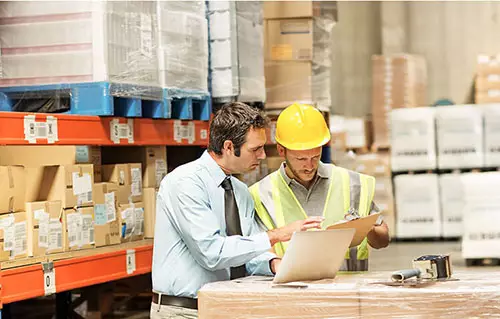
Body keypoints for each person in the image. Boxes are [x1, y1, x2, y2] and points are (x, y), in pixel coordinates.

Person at [151, 102, 323, 318]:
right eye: (255, 149)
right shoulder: (185, 183)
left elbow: (247, 251)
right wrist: (277, 235)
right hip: (184, 310)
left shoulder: (240, 191)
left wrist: (276, 265)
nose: (262, 156)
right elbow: (211, 253)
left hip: (224, 307)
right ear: (229, 147)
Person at [250, 103, 390, 272]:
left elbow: (382, 241)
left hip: (347, 292)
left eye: (315, 157)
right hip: (293, 293)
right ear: (281, 150)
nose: (309, 166)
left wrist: (366, 229)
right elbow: (258, 254)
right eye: (301, 159)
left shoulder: (352, 183)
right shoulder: (261, 194)